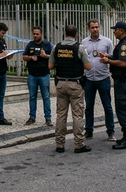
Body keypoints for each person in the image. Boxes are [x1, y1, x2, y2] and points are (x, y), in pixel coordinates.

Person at [49, 24, 92, 154]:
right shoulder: (79, 48)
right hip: (75, 85)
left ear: (64, 34)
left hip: (61, 84)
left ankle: (60, 145)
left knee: (61, 115)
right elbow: (88, 66)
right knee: (77, 115)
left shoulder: (57, 47)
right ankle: (79, 144)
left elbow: (50, 66)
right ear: (76, 34)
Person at [100, 21, 126, 150]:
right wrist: (108, 56)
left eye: (115, 30)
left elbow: (122, 63)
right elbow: (120, 58)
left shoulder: (124, 45)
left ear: (121, 31)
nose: (114, 32)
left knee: (123, 108)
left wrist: (108, 61)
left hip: (123, 80)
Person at [81, 19, 116, 141]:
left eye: (96, 27)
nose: (95, 29)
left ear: (99, 28)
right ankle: (89, 131)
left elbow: (113, 56)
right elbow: (82, 59)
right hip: (89, 79)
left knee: (107, 106)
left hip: (103, 78)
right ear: (88, 29)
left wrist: (107, 57)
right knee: (89, 106)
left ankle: (110, 131)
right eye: (92, 27)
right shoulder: (84, 42)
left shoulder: (107, 42)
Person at [23, 26, 53, 127]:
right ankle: (32, 117)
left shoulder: (48, 45)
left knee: (46, 97)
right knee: (32, 97)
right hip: (32, 75)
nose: (35, 36)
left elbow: (54, 56)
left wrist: (45, 56)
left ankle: (48, 118)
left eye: (37, 34)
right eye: (34, 34)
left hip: (44, 74)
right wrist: (30, 57)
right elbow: (24, 56)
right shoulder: (30, 45)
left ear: (41, 34)